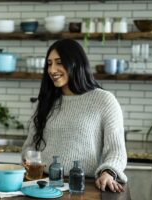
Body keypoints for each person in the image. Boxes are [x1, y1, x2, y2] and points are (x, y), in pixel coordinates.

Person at [22, 39, 127, 193]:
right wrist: (28, 161)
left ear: (76, 63)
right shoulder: (46, 101)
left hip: (83, 186)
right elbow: (30, 146)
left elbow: (116, 150)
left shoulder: (104, 100)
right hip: (43, 186)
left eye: (59, 62)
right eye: (49, 64)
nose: (52, 70)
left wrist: (108, 172)